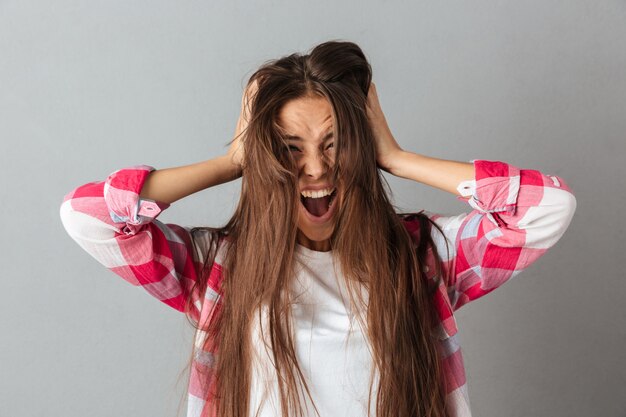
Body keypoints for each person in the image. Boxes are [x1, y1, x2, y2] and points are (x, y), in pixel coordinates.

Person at [59, 40, 577, 417]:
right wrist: (235, 159)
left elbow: (545, 208)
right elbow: (89, 217)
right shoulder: (218, 269)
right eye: (289, 148)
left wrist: (396, 157)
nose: (315, 169)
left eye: (334, 143)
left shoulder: (424, 257)